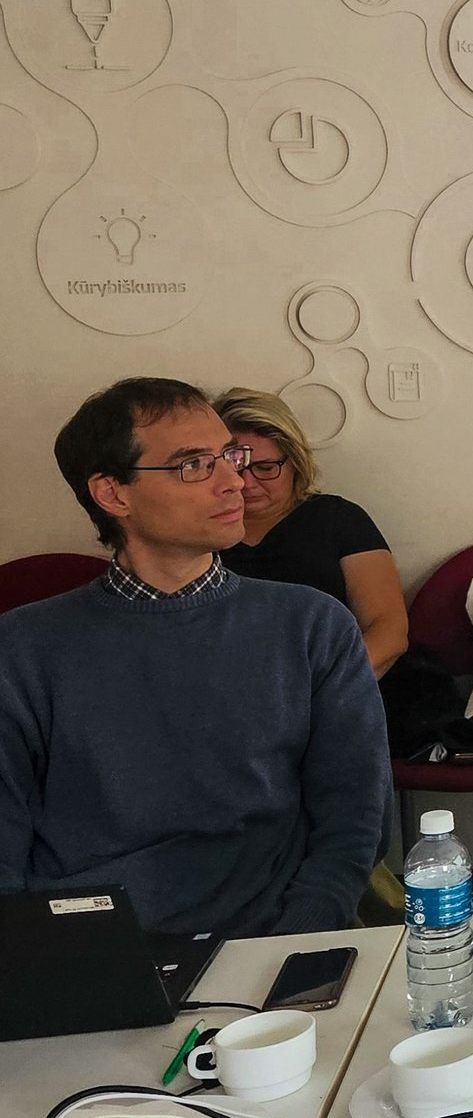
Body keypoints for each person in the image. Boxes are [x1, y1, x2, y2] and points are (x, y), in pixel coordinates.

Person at [0, 378, 389, 935]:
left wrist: (301, 934)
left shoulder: (312, 625)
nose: (235, 481)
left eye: (229, 456)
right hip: (90, 941)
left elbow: (355, 819)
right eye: (194, 465)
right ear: (113, 494)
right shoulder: (23, 648)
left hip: (271, 932)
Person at [214, 387, 409, 676]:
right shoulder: (198, 531)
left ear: (295, 462)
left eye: (266, 468)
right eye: (235, 467)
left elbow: (389, 632)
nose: (247, 483)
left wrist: (325, 684)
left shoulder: (337, 519)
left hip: (339, 678)